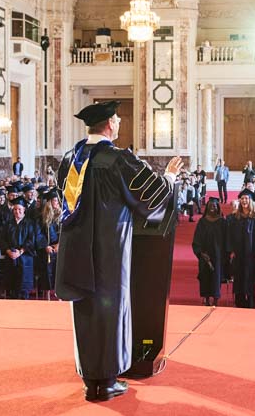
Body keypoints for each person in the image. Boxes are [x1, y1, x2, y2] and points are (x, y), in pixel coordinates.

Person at [54, 100, 179, 402]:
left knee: (85, 307)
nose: (120, 123)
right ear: (109, 123)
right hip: (109, 249)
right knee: (111, 308)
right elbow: (152, 196)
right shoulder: (117, 158)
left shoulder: (72, 158)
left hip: (76, 248)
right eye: (118, 119)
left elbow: (65, 198)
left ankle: (91, 380)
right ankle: (107, 382)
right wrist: (171, 178)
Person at [227, 189, 255, 309]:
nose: (244, 201)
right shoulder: (234, 218)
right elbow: (230, 235)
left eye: (246, 198)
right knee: (238, 277)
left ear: (250, 201)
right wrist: (231, 250)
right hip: (238, 253)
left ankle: (251, 302)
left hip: (251, 254)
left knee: (249, 277)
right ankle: (239, 302)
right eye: (242, 199)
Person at [192, 197, 226, 306]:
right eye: (210, 206)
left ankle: (215, 298)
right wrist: (201, 252)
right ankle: (206, 298)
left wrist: (225, 253)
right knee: (205, 276)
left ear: (218, 208)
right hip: (204, 254)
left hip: (218, 255)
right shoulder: (202, 222)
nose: (212, 208)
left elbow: (227, 239)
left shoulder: (222, 222)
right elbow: (196, 239)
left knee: (216, 276)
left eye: (214, 206)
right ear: (207, 207)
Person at [2, 200, 38, 300]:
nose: (17, 211)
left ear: (24, 210)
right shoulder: (8, 223)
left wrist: (21, 251)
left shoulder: (30, 223)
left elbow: (31, 239)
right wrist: (8, 251)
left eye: (19, 209)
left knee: (23, 286)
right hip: (11, 257)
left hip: (25, 257)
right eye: (15, 209)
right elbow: (2, 239)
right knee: (12, 285)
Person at [35, 189, 61, 301]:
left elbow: (65, 232)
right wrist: (46, 246)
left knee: (58, 272)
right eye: (54, 200)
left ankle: (58, 294)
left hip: (59, 250)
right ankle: (48, 296)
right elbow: (38, 234)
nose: (56, 203)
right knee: (47, 272)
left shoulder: (62, 216)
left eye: (57, 200)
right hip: (47, 251)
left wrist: (60, 245)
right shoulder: (42, 217)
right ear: (49, 202)